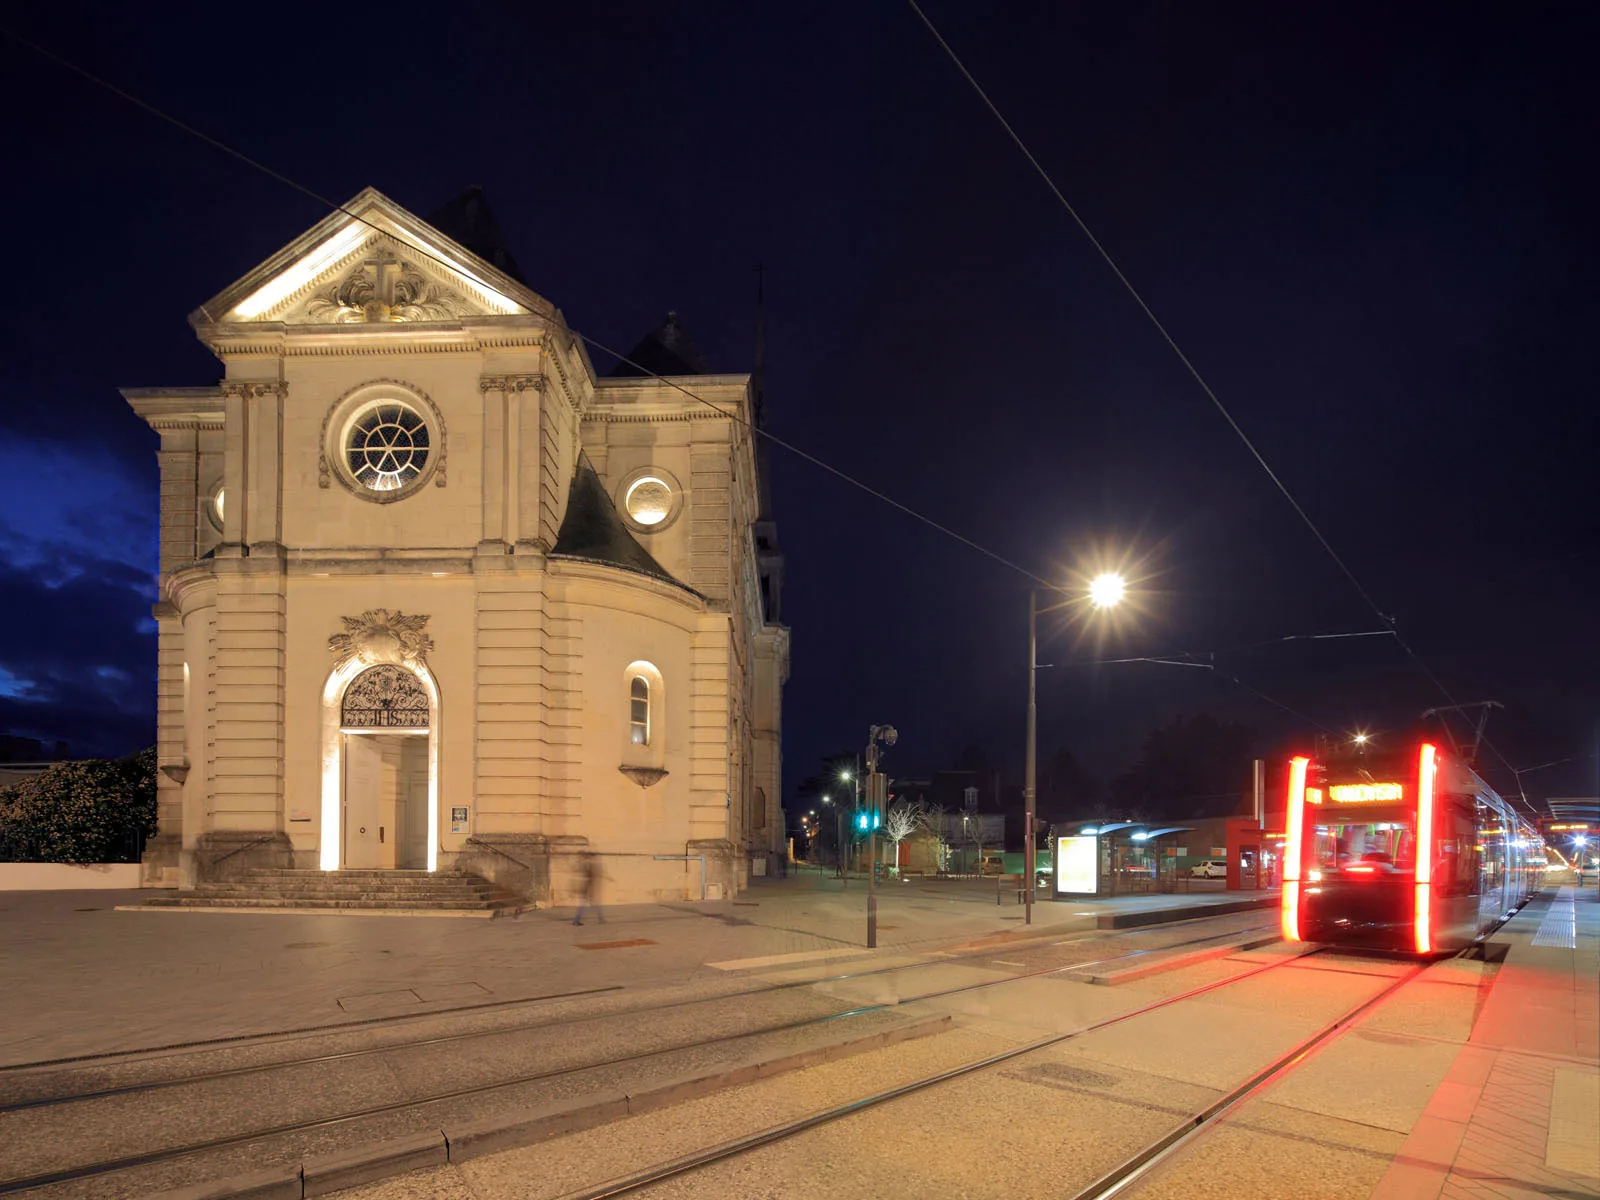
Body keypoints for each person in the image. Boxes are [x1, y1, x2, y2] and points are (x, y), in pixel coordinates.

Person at [574, 851, 604, 926]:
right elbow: (589, 879)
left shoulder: (587, 865)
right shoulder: (588, 865)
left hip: (587, 889)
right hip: (587, 889)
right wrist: (590, 891)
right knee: (586, 905)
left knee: (588, 904)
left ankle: (600, 918)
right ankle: (576, 920)